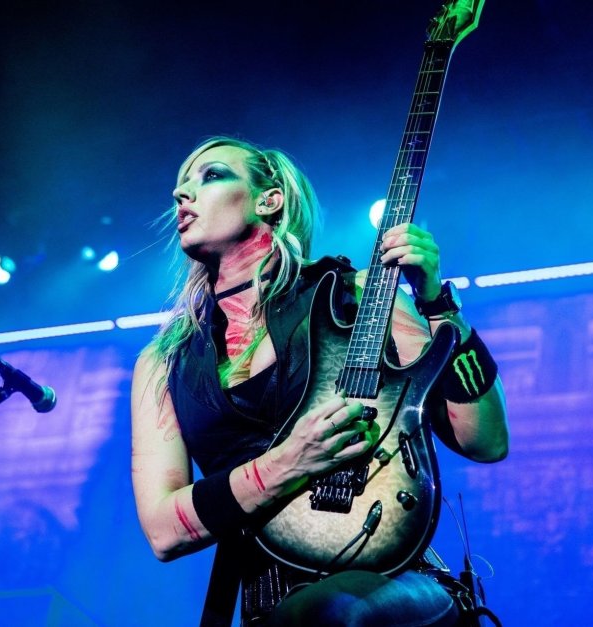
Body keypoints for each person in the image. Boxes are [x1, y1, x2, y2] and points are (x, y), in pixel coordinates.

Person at [131, 136, 509, 626]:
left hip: (389, 579)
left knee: (327, 614)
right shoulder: (164, 360)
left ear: (270, 201)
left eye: (212, 175)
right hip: (267, 601)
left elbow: (485, 440)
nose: (181, 194)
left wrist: (436, 302)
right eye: (181, 185)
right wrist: (290, 462)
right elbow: (163, 531)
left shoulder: (356, 296)